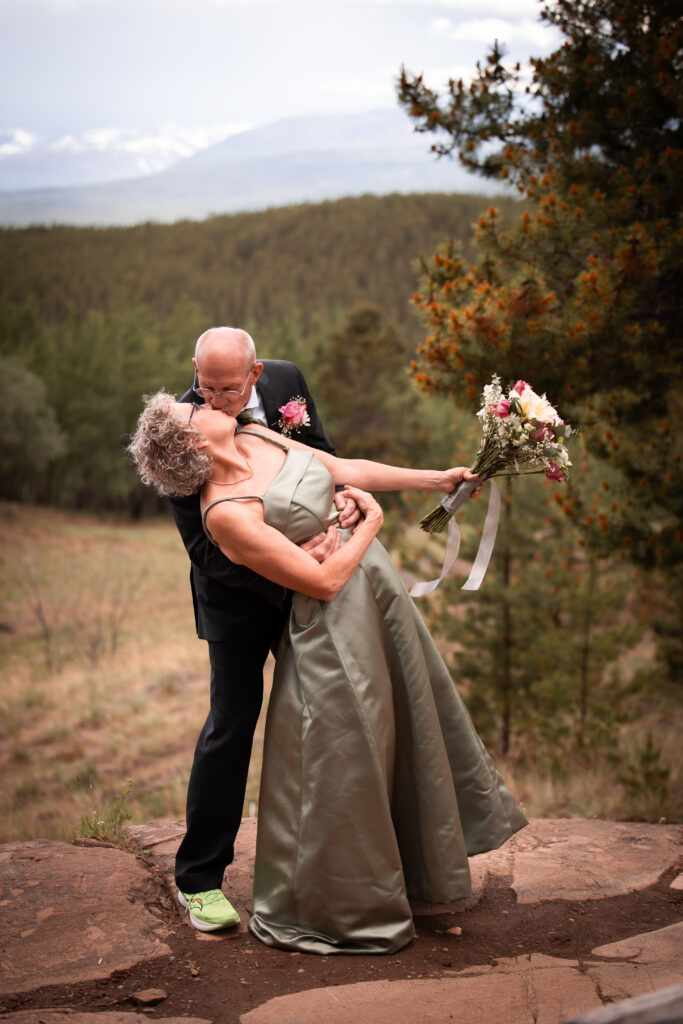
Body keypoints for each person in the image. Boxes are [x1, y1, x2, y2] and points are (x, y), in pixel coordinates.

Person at [129, 388, 528, 955]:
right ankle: (339, 897)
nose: (203, 400)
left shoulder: (252, 430)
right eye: (192, 408)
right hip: (309, 609)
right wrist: (371, 522)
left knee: (400, 721)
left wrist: (437, 480)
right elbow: (318, 581)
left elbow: (338, 466)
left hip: (372, 598)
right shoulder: (221, 510)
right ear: (193, 440)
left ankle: (411, 868)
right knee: (337, 751)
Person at [165, 326, 358, 932]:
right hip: (237, 597)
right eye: (204, 386)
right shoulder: (180, 425)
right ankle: (198, 878)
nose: (213, 401)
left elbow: (319, 455)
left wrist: (346, 498)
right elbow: (206, 550)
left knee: (330, 711)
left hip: (315, 578)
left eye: (227, 388)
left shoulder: (287, 380)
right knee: (233, 722)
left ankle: (335, 865)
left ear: (255, 375)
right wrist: (298, 568)